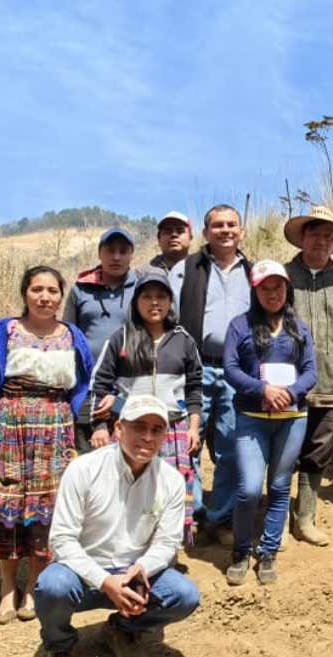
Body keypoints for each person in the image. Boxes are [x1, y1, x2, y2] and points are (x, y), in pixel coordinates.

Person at [0, 265, 95, 625]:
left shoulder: (72, 336)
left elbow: (84, 385)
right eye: (37, 289)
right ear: (25, 293)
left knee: (47, 512)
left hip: (54, 433)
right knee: (6, 509)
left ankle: (34, 587)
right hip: (9, 429)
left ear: (61, 296)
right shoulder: (4, 331)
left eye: (52, 291)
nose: (45, 297)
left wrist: (77, 426)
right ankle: (7, 590)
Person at [35, 394, 200, 657]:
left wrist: (142, 567)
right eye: (139, 427)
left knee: (184, 594)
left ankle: (123, 629)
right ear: (119, 429)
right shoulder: (84, 469)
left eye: (156, 430)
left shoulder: (171, 480)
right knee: (52, 587)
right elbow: (62, 539)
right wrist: (104, 580)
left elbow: (167, 542)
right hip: (82, 573)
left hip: (134, 576)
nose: (147, 437)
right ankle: (58, 645)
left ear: (165, 436)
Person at [89, 272, 203, 546]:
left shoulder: (183, 339)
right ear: (136, 302)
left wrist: (194, 427)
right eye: (147, 296)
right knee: (129, 492)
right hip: (131, 430)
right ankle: (128, 551)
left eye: (161, 296)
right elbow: (99, 385)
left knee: (168, 492)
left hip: (172, 431)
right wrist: (100, 427)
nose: (154, 303)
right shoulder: (121, 338)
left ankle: (167, 554)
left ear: (170, 302)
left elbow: (195, 387)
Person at [223, 261, 318, 584]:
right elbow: (231, 369)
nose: (272, 293)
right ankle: (240, 550)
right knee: (249, 488)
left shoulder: (299, 327)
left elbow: (310, 372)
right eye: (265, 287)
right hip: (251, 417)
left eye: (278, 286)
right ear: (255, 290)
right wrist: (262, 389)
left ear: (287, 289)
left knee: (279, 486)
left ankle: (268, 552)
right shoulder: (239, 325)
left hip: (292, 417)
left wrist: (289, 394)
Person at [170, 204, 251, 545]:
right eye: (217, 225)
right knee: (185, 446)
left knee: (231, 446)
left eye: (232, 224)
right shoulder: (186, 269)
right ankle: (191, 517)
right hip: (195, 368)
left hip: (237, 370)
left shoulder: (254, 271)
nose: (225, 230)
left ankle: (221, 520)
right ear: (206, 233)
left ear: (242, 231)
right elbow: (168, 316)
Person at [283, 205, 333, 545]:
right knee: (284, 451)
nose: (322, 241)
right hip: (285, 383)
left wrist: (331, 358)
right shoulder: (282, 277)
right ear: (303, 236)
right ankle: (278, 521)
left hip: (328, 381)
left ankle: (306, 519)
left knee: (318, 449)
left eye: (329, 236)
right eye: (316, 233)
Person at [64, 227, 138, 453]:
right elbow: (69, 335)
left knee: (125, 454)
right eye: (110, 250)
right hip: (85, 386)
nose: (116, 257)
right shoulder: (80, 289)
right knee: (88, 454)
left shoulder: (142, 288)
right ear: (99, 253)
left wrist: (119, 394)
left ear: (131, 255)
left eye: (123, 251)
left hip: (128, 385)